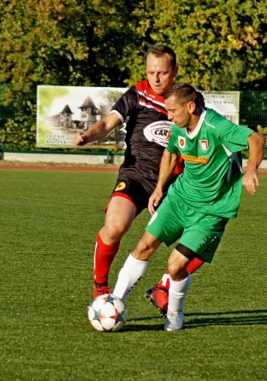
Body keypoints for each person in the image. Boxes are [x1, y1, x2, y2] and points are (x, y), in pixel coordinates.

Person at [112, 83, 265, 331]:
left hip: (211, 211)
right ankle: (116, 301)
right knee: (143, 246)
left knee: (176, 265)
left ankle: (174, 313)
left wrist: (250, 169)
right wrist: (160, 188)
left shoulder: (216, 127)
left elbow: (255, 138)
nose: (169, 116)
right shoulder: (179, 128)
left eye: (173, 111)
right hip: (179, 199)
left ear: (190, 106)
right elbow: (171, 154)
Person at [75, 45, 205, 304]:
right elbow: (107, 124)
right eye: (151, 72)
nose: (155, 78)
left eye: (162, 73)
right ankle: (101, 288)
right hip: (137, 175)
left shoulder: (189, 101)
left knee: (206, 235)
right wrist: (88, 136)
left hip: (175, 183)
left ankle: (165, 286)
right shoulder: (138, 93)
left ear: (175, 72)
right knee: (114, 228)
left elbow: (203, 136)